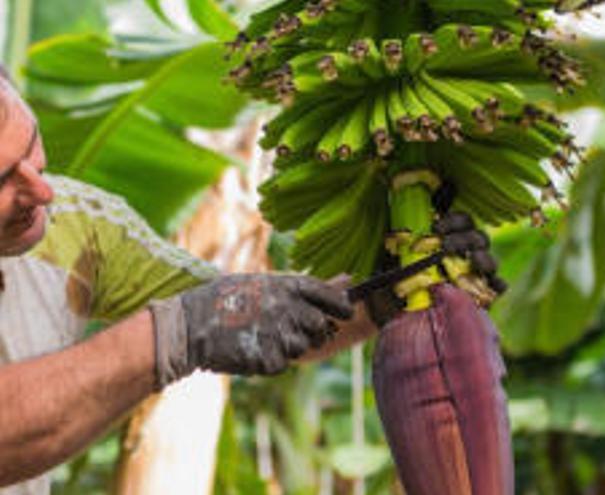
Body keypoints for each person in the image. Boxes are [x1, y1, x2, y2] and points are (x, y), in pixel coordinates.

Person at [0, 70, 499, 494]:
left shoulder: (75, 226)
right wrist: (179, 330)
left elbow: (254, 315)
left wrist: (380, 293)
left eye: (32, 144)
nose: (41, 190)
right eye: (3, 179)